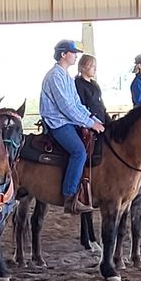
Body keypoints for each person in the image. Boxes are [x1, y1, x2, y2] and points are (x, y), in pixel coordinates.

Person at [40, 39, 105, 215]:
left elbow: (76, 104)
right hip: (58, 122)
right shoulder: (55, 76)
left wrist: (92, 119)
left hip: (68, 120)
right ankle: (70, 197)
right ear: (63, 54)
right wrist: (90, 123)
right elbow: (66, 107)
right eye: (73, 52)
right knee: (79, 152)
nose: (76, 56)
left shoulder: (66, 76)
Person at [74, 52, 110, 126]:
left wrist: (108, 119)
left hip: (101, 119)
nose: (95, 69)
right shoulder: (78, 84)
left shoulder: (95, 84)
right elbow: (81, 106)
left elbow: (101, 104)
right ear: (83, 67)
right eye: (92, 66)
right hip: (90, 123)